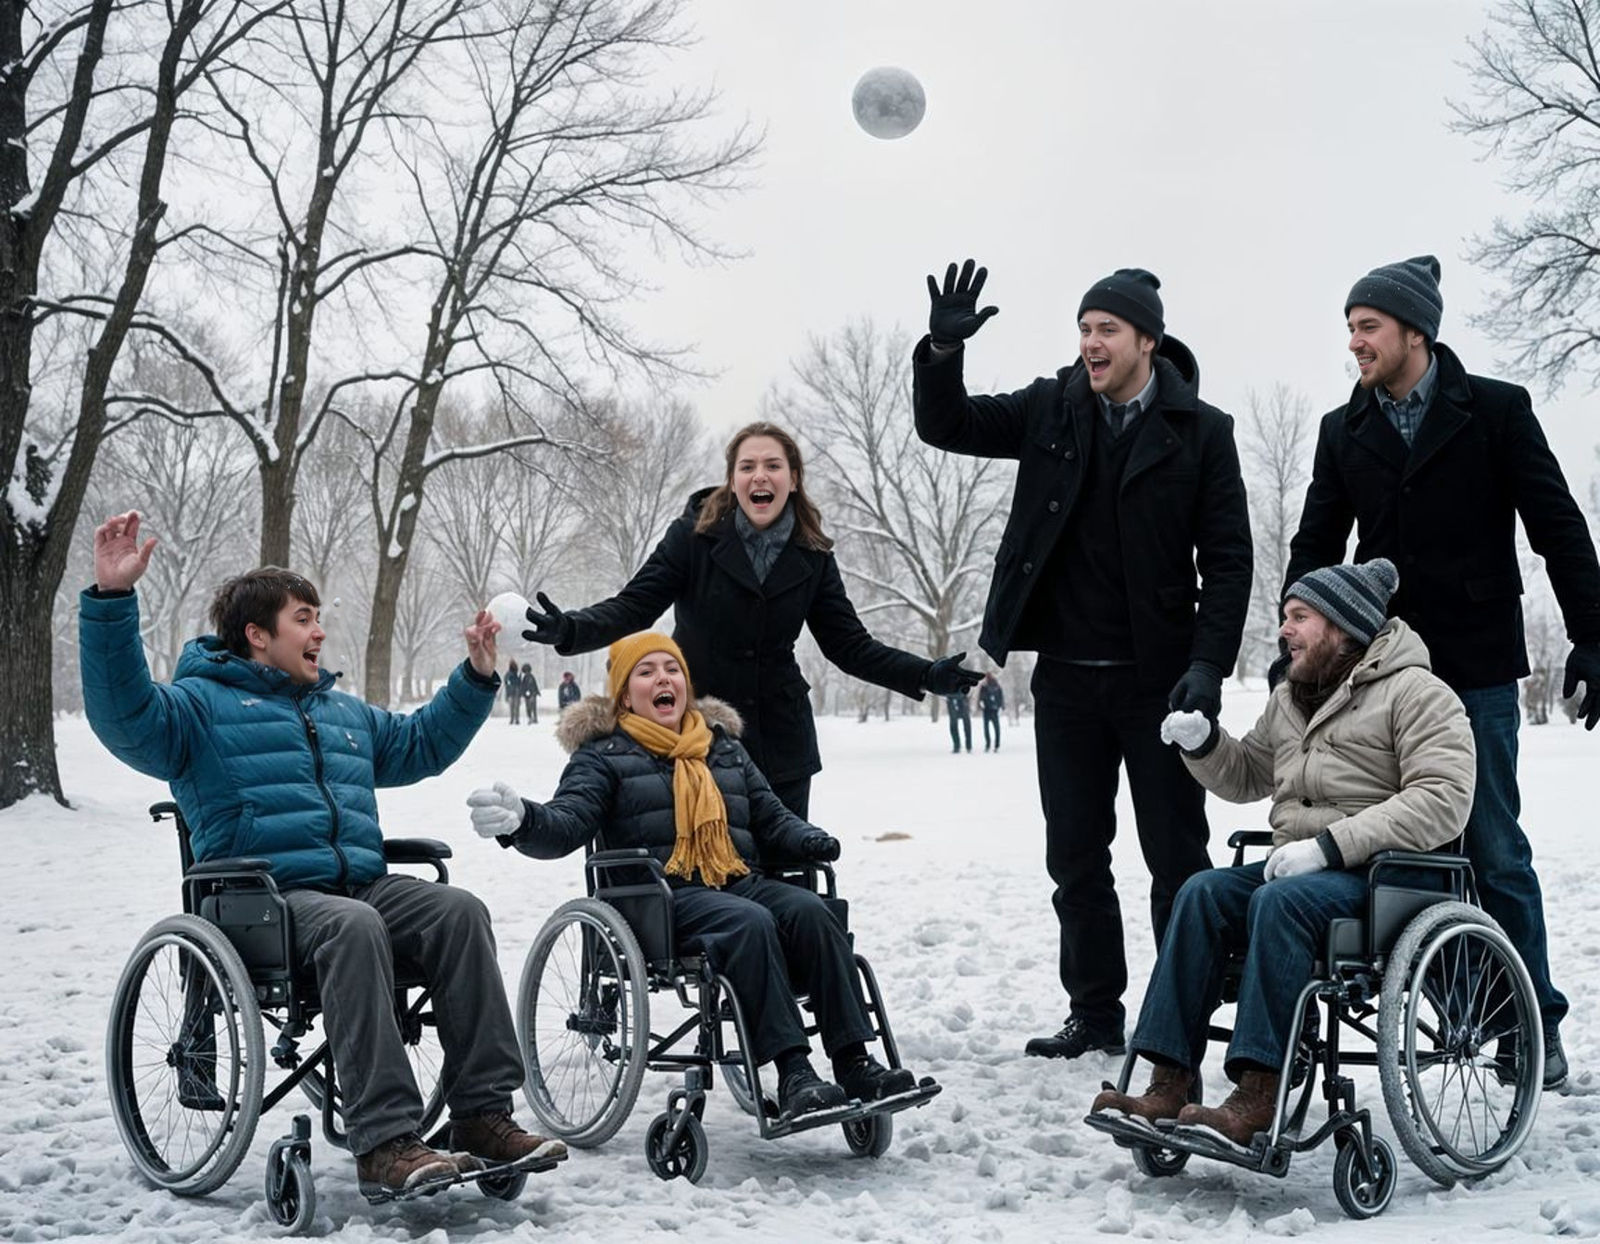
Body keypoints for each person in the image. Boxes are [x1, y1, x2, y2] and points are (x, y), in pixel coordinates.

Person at [79, 511, 564, 1201]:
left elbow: (419, 744)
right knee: (353, 925)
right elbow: (124, 717)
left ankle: (483, 1117)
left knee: (459, 911)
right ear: (257, 635)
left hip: (357, 887)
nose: (320, 632)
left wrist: (476, 676)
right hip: (260, 901)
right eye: (304, 618)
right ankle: (386, 1142)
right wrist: (111, 601)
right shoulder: (197, 710)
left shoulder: (339, 713)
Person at [913, 260, 1252, 1060]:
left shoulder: (1204, 432)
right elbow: (948, 425)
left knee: (1176, 859)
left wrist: (1207, 666)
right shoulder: (1050, 409)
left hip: (1160, 682)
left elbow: (1230, 563)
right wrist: (940, 350)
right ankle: (1095, 1014)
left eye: (1107, 330)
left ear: (1147, 341)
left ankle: (1178, 1018)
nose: (1091, 343)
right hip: (1065, 678)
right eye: (1084, 329)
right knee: (1074, 854)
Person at [1285, 255, 1600, 1089]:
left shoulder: (1495, 411)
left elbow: (1557, 526)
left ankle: (1533, 1022)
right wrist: (1303, 641)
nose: (1354, 342)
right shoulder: (1342, 429)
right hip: (1380, 676)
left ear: (1415, 332)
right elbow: (1317, 547)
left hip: (1475, 667)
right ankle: (1456, 1007)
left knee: (1493, 846)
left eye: (1368, 327)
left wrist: (1594, 633)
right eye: (1349, 327)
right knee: (1414, 847)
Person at [1089, 559, 1474, 1147]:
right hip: (1298, 870)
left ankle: (1258, 1092)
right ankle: (1170, 1079)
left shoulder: (1418, 693)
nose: (1284, 631)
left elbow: (1443, 798)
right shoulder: (1290, 698)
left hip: (1386, 877)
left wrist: (1328, 847)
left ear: (1342, 627)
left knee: (1279, 902)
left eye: (1300, 618)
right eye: (1284, 618)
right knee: (1200, 891)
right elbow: (1248, 775)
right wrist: (1205, 745)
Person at [466, 632, 929, 1117]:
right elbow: (568, 822)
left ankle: (855, 1060)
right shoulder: (603, 756)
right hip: (661, 899)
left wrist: (809, 838)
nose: (662, 678)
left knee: (812, 912)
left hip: (737, 880)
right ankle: (794, 1072)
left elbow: (770, 816)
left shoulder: (721, 747)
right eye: (646, 672)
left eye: (672, 670)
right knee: (749, 922)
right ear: (625, 693)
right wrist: (523, 822)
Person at [520, 422, 981, 819]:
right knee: (716, 873)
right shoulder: (692, 538)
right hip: (702, 731)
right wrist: (571, 629)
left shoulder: (814, 555)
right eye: (748, 466)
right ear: (733, 481)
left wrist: (925, 673)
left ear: (794, 479)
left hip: (781, 739)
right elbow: (634, 605)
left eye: (773, 465)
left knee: (788, 873)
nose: (760, 475)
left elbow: (849, 646)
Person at [978, 672, 1005, 752]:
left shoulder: (985, 686)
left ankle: (990, 745)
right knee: (995, 728)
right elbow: (1000, 696)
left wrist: (980, 705)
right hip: (992, 709)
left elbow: (980, 698)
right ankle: (994, 745)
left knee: (989, 728)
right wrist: (1001, 706)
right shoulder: (996, 685)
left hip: (988, 710)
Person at [946, 685, 972, 753]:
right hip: (955, 700)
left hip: (960, 700)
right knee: (955, 725)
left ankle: (965, 746)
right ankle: (958, 745)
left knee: (965, 725)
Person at [505, 659, 523, 724]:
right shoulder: (517, 673)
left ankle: (513, 719)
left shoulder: (508, 674)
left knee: (512, 707)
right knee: (516, 707)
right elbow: (520, 683)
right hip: (516, 692)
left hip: (512, 692)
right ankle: (516, 719)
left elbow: (506, 683)